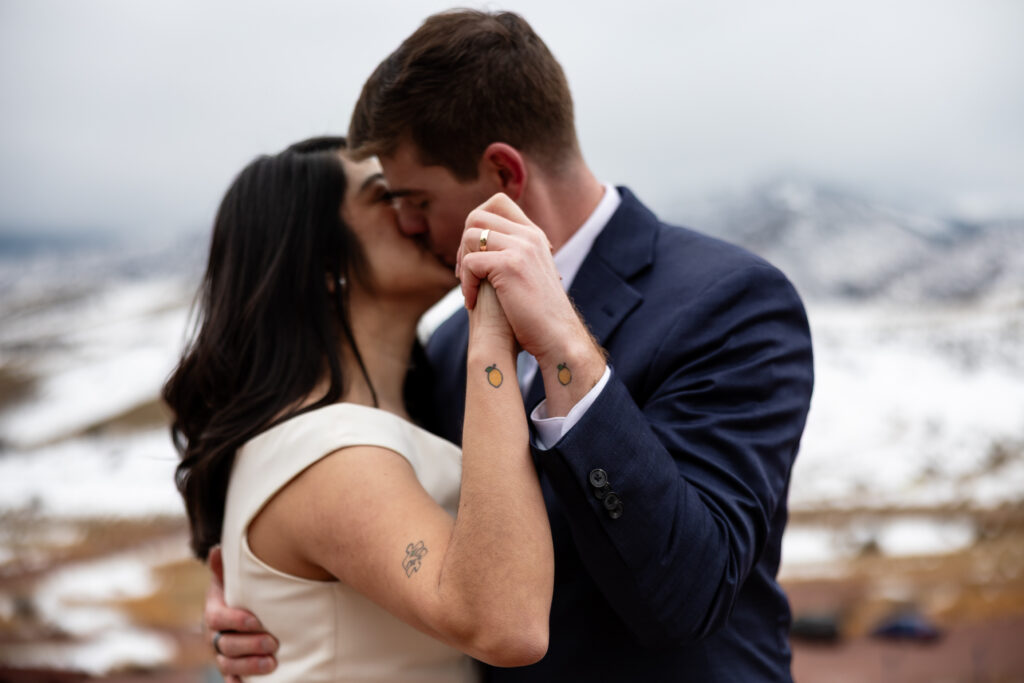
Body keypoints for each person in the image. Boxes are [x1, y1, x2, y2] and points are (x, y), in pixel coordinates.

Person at [208, 10, 814, 681]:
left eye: (415, 198)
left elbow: (692, 593)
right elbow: (357, 509)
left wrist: (567, 352)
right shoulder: (446, 349)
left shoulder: (729, 303)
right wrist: (263, 604)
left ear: (503, 174)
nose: (408, 225)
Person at [163, 136, 554, 682]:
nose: (415, 215)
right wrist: (490, 330)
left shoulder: (374, 423)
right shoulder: (332, 454)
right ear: (323, 261)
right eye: (385, 196)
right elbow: (507, 624)